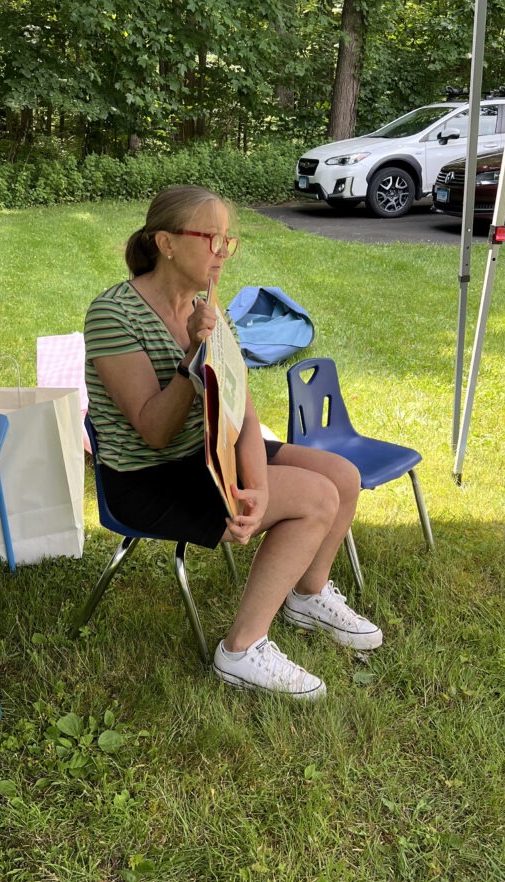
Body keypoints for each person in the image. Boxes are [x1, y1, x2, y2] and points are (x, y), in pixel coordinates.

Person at [84, 185, 382, 700]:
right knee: (317, 499)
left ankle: (306, 595)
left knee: (343, 476)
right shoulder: (113, 315)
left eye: (229, 241)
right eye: (211, 238)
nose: (222, 252)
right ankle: (242, 649)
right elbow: (154, 433)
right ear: (167, 243)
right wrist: (194, 356)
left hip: (210, 452)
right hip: (150, 478)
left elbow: (242, 413)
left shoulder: (209, 309)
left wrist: (259, 486)